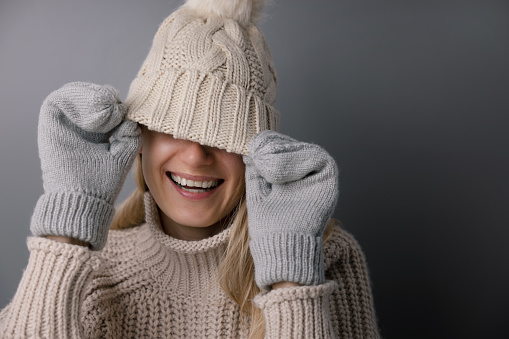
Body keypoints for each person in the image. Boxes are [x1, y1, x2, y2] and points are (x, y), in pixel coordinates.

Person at [0, 0, 380, 338]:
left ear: (261, 151)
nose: (197, 156)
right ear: (138, 136)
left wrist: (291, 277)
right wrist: (67, 227)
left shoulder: (325, 257)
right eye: (173, 126)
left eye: (225, 131)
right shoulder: (92, 271)